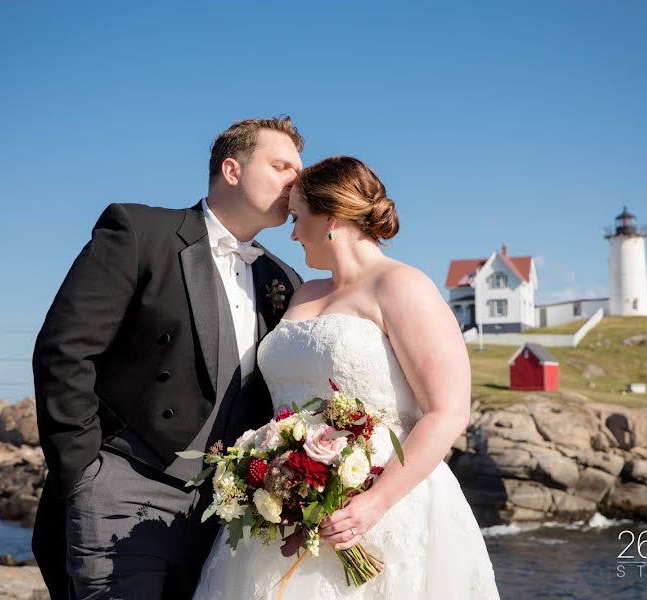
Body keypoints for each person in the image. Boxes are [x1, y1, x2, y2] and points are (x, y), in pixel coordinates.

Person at [193, 156, 500, 599]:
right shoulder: (304, 292)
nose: (293, 233)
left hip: (381, 500)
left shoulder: (402, 286)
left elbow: (447, 410)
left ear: (332, 217)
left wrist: (374, 503)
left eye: (298, 218)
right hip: (285, 504)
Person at [32, 116, 305, 599]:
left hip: (227, 512)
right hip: (124, 489)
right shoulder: (139, 232)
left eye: (298, 170)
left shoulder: (284, 278)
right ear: (232, 170)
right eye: (281, 165)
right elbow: (65, 350)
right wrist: (83, 473)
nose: (295, 180)